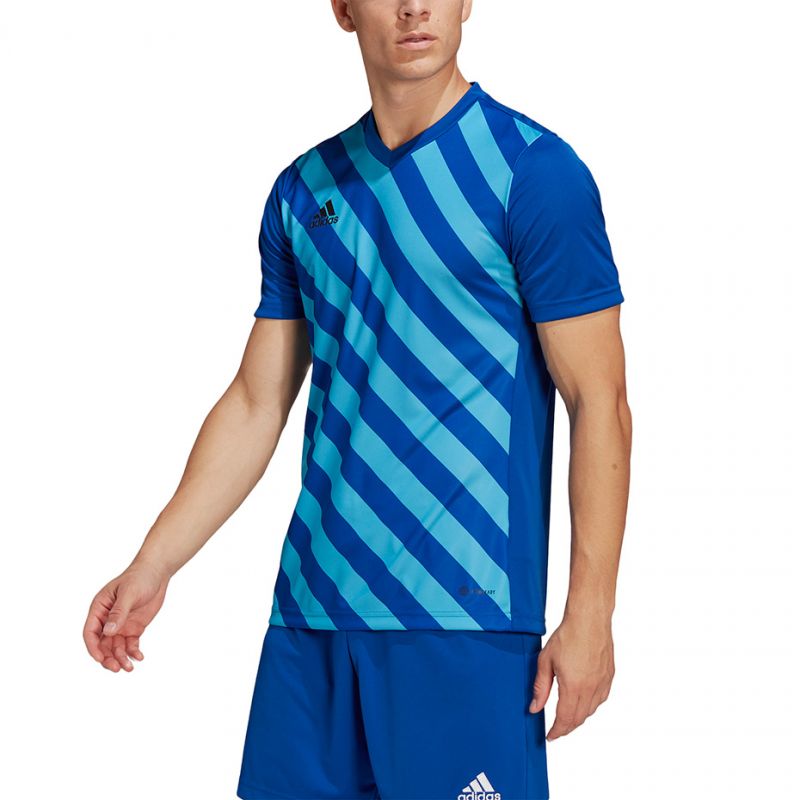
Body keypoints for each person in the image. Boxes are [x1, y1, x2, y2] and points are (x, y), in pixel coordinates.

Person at [82, 1, 632, 798]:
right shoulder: (305, 190)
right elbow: (255, 403)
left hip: (464, 620)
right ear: (343, 9)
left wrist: (592, 613)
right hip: (313, 618)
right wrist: (154, 562)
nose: (414, 6)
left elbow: (599, 401)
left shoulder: (534, 174)